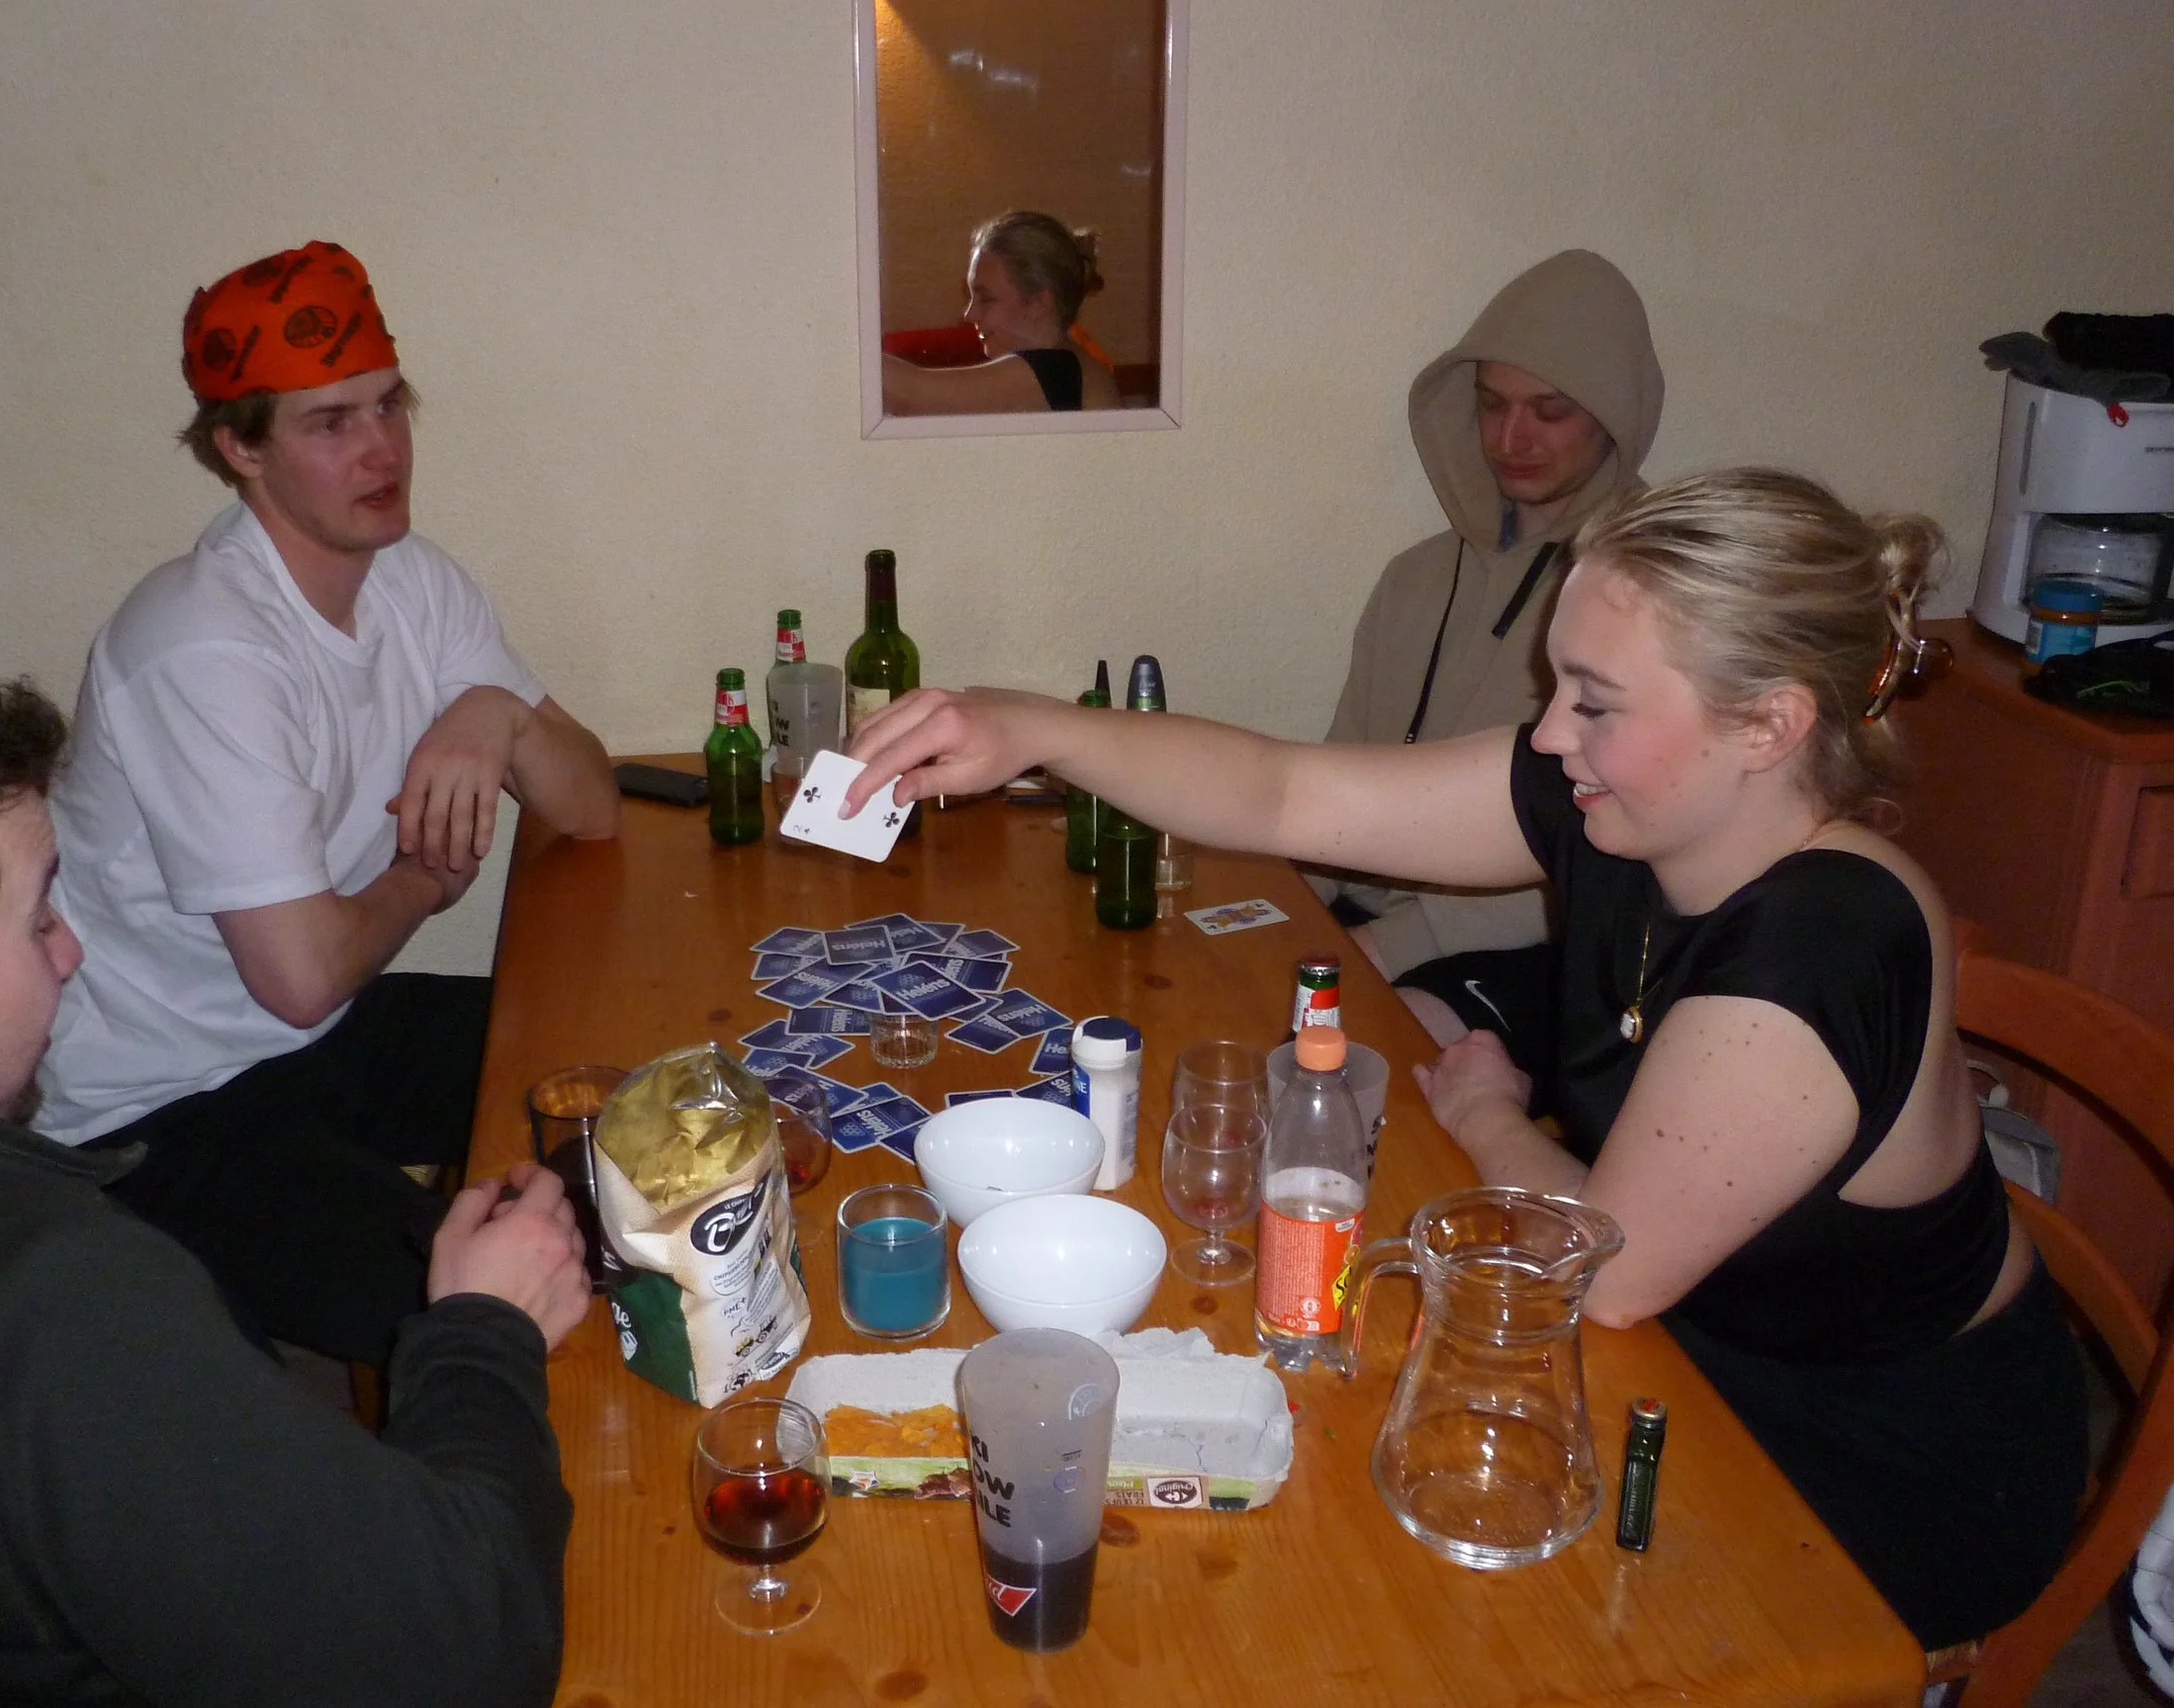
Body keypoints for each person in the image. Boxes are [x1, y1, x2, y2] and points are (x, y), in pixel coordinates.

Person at [846, 468, 2087, 1648]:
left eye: (1593, 701)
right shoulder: (1630, 804)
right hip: (1682, 1370)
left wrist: (1487, 1110)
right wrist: (1030, 726)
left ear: (1767, 723)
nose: (1548, 735)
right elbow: (1286, 796)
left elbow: (1609, 1270)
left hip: (1870, 1459)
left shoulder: (1824, 940)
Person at [0, 664, 589, 1704]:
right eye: (38, 916)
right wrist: (484, 1327)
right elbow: (464, 1656)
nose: (70, 951)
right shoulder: (49, 1308)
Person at [37, 239, 619, 1370]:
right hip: (153, 1110)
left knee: (623, 1085)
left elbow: (592, 805)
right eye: (330, 423)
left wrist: (499, 714)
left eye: (388, 405)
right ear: (240, 448)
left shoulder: (413, 580)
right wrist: (425, 879)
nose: (381, 449)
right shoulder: (202, 644)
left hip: (318, 1036)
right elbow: (300, 977)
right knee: (507, 1317)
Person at [1313, 250, 1664, 1082]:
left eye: (1551, 410)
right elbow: (1336, 777)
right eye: (1493, 404)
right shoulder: (1416, 577)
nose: (1512, 439)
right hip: (1374, 917)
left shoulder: (1646, 592)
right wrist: (1286, 911)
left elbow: (1600, 849)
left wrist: (1376, 948)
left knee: (1358, 1060)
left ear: (1612, 418)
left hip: (1543, 944)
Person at [881, 211, 1121, 415]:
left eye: (986, 298)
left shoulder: (1057, 371)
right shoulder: (1077, 368)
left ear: (1038, 303)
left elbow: (909, 394)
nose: (969, 315)